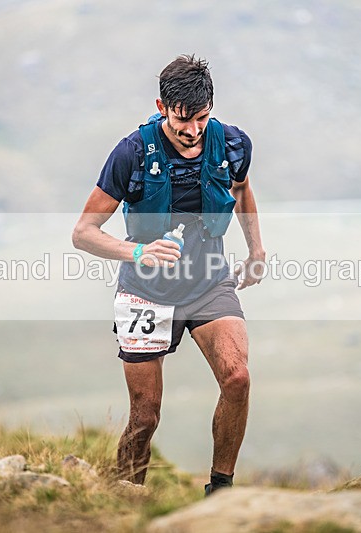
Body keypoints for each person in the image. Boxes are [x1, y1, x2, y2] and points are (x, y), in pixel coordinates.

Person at [72, 54, 265, 496]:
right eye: (182, 120)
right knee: (145, 416)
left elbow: (242, 189)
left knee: (237, 378)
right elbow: (83, 233)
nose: (193, 130)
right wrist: (137, 250)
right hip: (145, 292)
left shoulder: (233, 144)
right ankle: (123, 495)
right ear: (162, 106)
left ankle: (220, 491)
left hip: (209, 282)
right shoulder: (131, 153)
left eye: (201, 118)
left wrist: (256, 248)